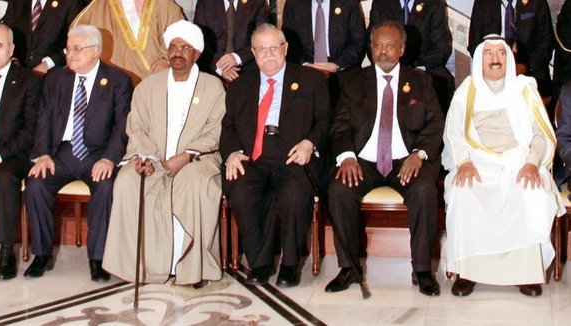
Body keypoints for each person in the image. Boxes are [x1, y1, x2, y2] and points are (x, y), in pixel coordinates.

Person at [103, 20, 225, 288]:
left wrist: (186, 156)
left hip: (198, 159)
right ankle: (141, 266)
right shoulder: (148, 86)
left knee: (191, 183)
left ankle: (192, 267)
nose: (177, 53)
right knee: (127, 181)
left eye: (185, 48)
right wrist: (145, 158)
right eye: (173, 47)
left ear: (197, 54)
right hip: (154, 158)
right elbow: (136, 128)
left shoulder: (212, 87)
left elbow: (214, 132)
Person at [326, 21, 444, 296]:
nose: (383, 51)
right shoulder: (352, 81)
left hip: (407, 159)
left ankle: (423, 269)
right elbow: (340, 126)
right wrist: (346, 157)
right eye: (377, 45)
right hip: (364, 161)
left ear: (402, 49)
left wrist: (419, 154)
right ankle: (348, 268)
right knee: (339, 189)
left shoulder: (422, 82)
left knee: (425, 188)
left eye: (390, 45)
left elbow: (435, 124)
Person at [443, 35, 564, 297]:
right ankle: (468, 272)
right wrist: (463, 162)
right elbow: (454, 134)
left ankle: (526, 274)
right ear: (479, 60)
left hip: (519, 161)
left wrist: (532, 164)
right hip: (477, 162)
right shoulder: (467, 90)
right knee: (464, 191)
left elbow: (541, 134)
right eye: (489, 54)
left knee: (529, 190)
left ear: (509, 59)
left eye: (501, 54)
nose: (495, 59)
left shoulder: (524, 89)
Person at [220, 23, 330, 287]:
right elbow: (229, 125)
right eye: (262, 49)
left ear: (285, 49)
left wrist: (309, 143)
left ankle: (290, 264)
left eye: (274, 47)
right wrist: (232, 153)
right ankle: (261, 261)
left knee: (294, 194)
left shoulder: (310, 79)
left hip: (294, 155)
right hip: (253, 156)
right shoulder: (240, 85)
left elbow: (326, 121)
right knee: (241, 191)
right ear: (253, 53)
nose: (268, 54)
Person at [24, 24, 133, 282]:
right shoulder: (56, 79)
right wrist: (42, 154)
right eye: (68, 48)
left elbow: (123, 126)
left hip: (98, 154)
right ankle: (41, 256)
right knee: (35, 184)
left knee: (105, 187)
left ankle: (98, 258)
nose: (69, 54)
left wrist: (109, 158)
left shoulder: (118, 81)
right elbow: (43, 120)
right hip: (60, 154)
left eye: (76, 49)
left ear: (95, 51)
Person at [0, 23, 42, 280]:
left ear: (11, 49)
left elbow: (30, 130)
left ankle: (6, 252)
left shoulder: (29, 81)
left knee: (4, 177)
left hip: (14, 152)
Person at [369, 0, 454, 113]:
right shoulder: (381, 3)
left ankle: (433, 127)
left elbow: (442, 47)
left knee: (441, 83)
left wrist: (419, 68)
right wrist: (391, 67)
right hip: (388, 66)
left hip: (424, 66)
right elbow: (370, 42)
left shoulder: (434, 3)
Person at [71, 0, 184, 84]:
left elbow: (184, 36)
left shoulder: (161, 3)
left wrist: (168, 60)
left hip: (155, 81)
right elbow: (76, 32)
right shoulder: (101, 5)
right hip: (116, 83)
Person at [468, 0, 554, 97]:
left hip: (531, 72)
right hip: (494, 76)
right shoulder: (482, 3)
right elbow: (474, 45)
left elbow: (547, 42)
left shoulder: (537, 2)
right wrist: (495, 68)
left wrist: (525, 67)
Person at [193, 0, 268, 82]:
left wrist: (236, 58)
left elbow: (262, 39)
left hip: (247, 67)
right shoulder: (205, 2)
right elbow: (198, 39)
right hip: (211, 67)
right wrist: (220, 66)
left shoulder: (257, 2)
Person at [2, 0, 83, 75]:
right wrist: (14, 59)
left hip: (51, 72)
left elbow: (75, 40)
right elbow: (5, 33)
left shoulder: (70, 2)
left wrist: (47, 64)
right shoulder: (16, 2)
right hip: (17, 72)